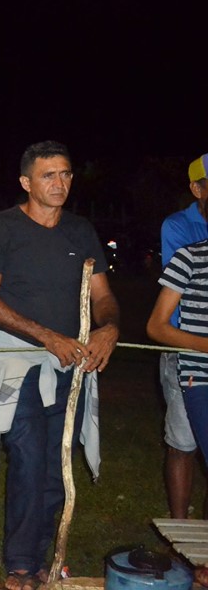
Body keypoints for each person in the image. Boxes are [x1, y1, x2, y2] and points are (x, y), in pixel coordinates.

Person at [0, 141, 119, 590]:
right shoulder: (2, 228)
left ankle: (44, 557)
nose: (60, 183)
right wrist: (47, 337)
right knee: (28, 458)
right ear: (26, 182)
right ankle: (20, 563)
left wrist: (109, 328)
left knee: (59, 465)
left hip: (73, 364)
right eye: (48, 175)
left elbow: (103, 296)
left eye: (66, 173)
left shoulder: (80, 230)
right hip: (22, 362)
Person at [147, 198, 208, 589]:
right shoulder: (189, 257)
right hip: (199, 377)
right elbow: (157, 326)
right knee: (182, 446)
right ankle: (186, 545)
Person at [156, 154, 208, 521]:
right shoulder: (179, 227)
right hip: (184, 349)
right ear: (196, 188)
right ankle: (179, 530)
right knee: (183, 443)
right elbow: (171, 308)